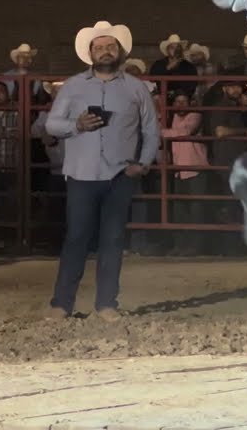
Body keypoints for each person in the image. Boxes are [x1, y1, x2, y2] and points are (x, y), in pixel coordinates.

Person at [45, 20, 160, 321]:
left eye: (110, 47)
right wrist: (76, 126)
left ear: (120, 52)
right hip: (81, 174)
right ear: (90, 53)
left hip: (120, 174)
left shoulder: (137, 88)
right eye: (99, 47)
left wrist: (144, 163)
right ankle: (62, 304)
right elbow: (51, 124)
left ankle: (106, 303)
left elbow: (151, 129)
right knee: (76, 238)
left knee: (112, 240)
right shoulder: (72, 86)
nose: (105, 51)